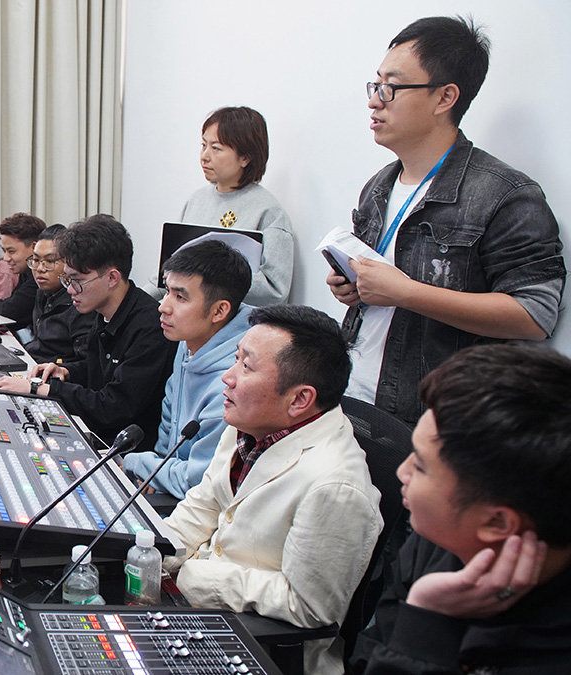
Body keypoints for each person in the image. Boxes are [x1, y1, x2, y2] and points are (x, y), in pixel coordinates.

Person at [326, 16, 565, 424]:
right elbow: (385, 286)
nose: (374, 101)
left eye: (392, 87)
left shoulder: (504, 194)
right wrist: (354, 286)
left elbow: (534, 315)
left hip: (430, 417)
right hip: (352, 396)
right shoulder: (380, 185)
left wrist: (407, 293)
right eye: (375, 84)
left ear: (445, 97)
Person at [163, 305, 381, 675]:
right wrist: (152, 555)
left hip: (261, 650)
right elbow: (202, 506)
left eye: (246, 367)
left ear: (299, 399)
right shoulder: (249, 424)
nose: (228, 377)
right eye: (236, 359)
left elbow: (308, 607)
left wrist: (198, 578)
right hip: (197, 612)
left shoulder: (335, 486)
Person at [348, 343, 571, 674]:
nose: (402, 472)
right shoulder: (441, 537)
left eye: (420, 466)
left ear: (497, 523)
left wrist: (429, 619)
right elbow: (365, 661)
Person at [0, 215, 174, 451]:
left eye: (77, 280)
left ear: (112, 278)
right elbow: (97, 368)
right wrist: (67, 370)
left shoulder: (149, 329)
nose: (70, 290)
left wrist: (40, 389)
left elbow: (113, 406)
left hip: (122, 451)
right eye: (67, 279)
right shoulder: (103, 309)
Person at [123, 240, 252, 501]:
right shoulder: (190, 340)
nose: (163, 306)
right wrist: (155, 474)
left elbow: (199, 483)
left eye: (180, 297)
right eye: (167, 292)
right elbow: (169, 420)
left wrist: (137, 463)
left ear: (219, 311)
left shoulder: (233, 380)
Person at [182, 106, 294, 306]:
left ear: (245, 158)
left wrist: (208, 278)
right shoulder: (196, 200)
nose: (204, 156)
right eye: (203, 145)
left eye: (216, 148)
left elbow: (275, 289)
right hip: (187, 318)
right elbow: (171, 268)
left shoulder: (269, 211)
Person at [24, 224, 94, 364]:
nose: (40, 268)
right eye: (36, 260)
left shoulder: (79, 300)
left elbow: (84, 363)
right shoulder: (42, 293)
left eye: (49, 261)